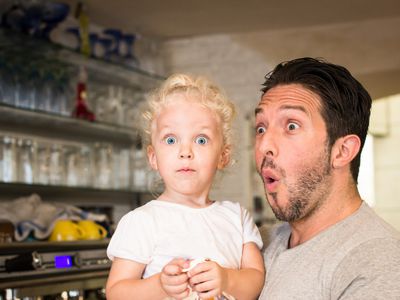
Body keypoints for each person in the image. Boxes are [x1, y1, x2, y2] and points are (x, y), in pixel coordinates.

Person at [106, 73, 265, 300]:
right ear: (153, 157)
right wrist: (159, 286)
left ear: (223, 156)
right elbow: (116, 292)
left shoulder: (237, 218)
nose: (185, 151)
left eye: (201, 139)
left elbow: (255, 279)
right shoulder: (141, 221)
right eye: (171, 140)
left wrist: (228, 279)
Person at [254, 57, 400, 299]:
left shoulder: (375, 260)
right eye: (260, 128)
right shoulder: (260, 242)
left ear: (342, 151)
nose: (264, 145)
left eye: (291, 126)